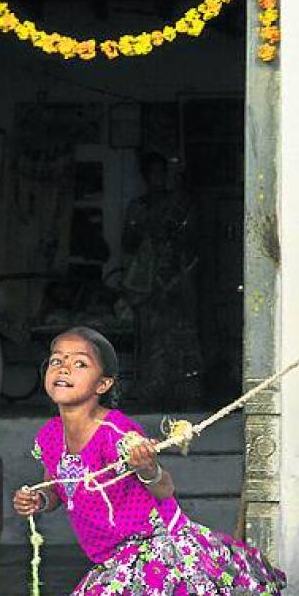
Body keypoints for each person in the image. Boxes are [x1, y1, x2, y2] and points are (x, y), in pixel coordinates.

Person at [13, 326, 299, 596]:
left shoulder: (117, 433)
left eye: (79, 363)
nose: (64, 368)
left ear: (103, 384)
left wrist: (146, 468)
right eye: (57, 361)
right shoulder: (51, 436)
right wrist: (40, 501)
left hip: (157, 551)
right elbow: (56, 485)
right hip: (112, 560)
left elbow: (163, 487)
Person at [121, 152, 203, 409]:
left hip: (176, 282)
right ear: (146, 177)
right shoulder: (139, 207)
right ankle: (151, 393)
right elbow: (128, 244)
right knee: (151, 339)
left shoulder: (179, 206)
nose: (159, 178)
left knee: (180, 338)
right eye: (154, 173)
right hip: (148, 285)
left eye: (162, 173)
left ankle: (182, 394)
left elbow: (192, 244)